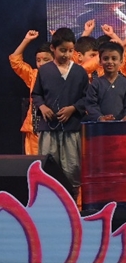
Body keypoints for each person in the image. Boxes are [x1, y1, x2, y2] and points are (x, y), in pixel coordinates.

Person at [31, 28, 90, 199]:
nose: (67, 54)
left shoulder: (79, 72)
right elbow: (36, 94)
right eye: (63, 50)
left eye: (70, 50)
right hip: (49, 128)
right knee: (48, 165)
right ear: (53, 48)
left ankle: (73, 202)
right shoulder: (44, 71)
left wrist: (73, 108)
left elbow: (87, 98)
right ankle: (49, 202)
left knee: (72, 167)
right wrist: (42, 107)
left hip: (71, 128)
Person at [9, 30, 52, 155]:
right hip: (34, 130)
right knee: (34, 163)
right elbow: (15, 61)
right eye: (38, 60)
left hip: (54, 129)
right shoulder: (33, 75)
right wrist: (26, 40)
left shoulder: (62, 76)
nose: (41, 63)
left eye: (46, 60)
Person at [84, 42, 126, 122]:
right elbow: (91, 105)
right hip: (101, 126)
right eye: (106, 59)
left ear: (121, 61)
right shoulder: (95, 83)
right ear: (100, 61)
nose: (110, 62)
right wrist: (100, 117)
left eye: (114, 58)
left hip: (122, 126)